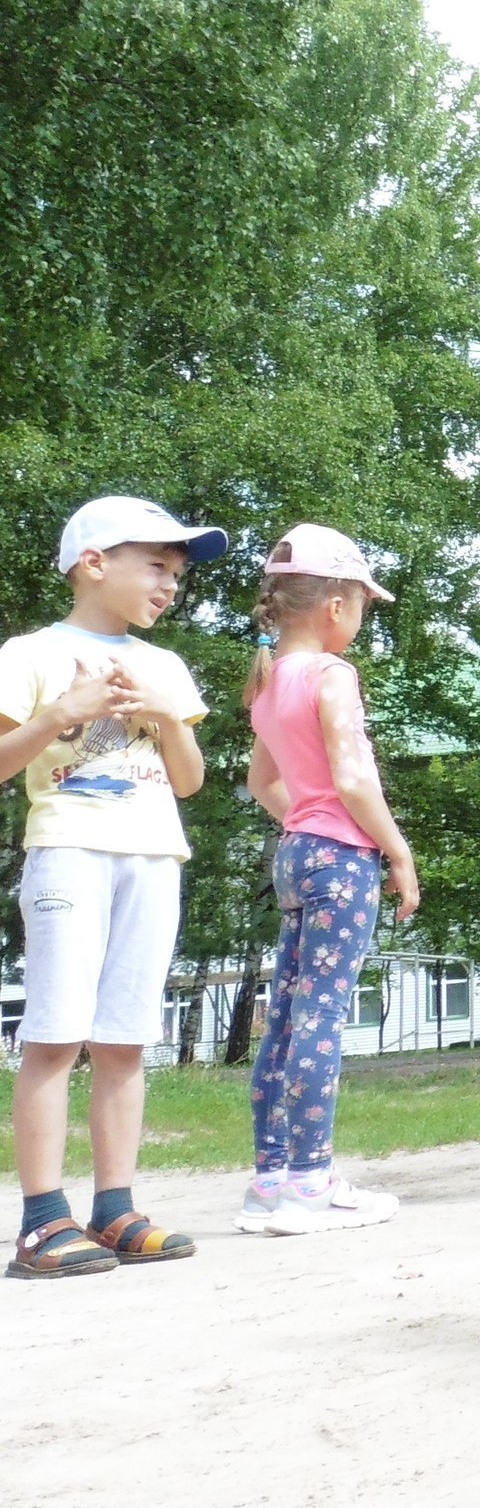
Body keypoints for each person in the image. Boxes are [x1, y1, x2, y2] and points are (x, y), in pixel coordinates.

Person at [2, 496, 226, 1280]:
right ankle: (41, 1221)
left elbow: (189, 782)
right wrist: (62, 713)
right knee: (56, 1035)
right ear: (95, 563)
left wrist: (169, 719)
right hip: (69, 851)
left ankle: (116, 1209)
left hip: (154, 856)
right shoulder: (31, 653)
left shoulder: (165, 666)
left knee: (125, 1038)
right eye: (157, 567)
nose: (170, 586)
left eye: (178, 575)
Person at [238, 526, 420, 1236]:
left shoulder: (268, 681)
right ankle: (312, 1184)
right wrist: (396, 851)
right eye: (363, 607)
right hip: (340, 860)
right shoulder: (331, 675)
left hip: (295, 854)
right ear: (336, 606)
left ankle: (271, 1180)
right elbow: (351, 777)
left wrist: (306, 821)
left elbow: (262, 782)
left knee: (285, 1018)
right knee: (321, 1017)